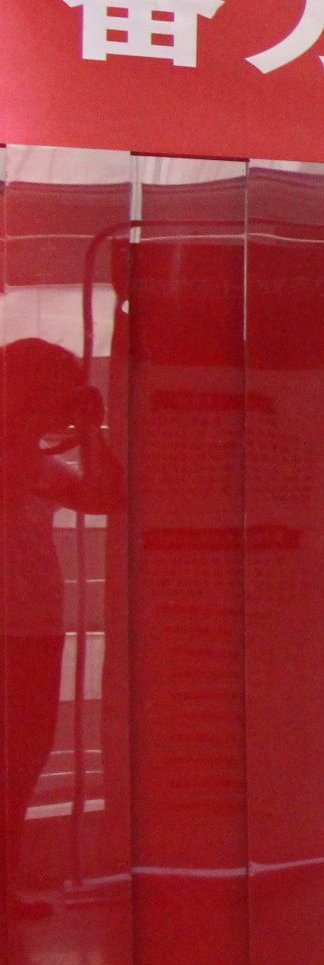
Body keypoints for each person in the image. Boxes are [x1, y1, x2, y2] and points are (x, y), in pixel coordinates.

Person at [1, 336, 120, 903]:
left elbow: (109, 496)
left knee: (24, 757)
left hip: (34, 627)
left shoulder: (36, 463)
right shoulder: (22, 462)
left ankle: (4, 884)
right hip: (20, 627)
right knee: (16, 757)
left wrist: (90, 432)